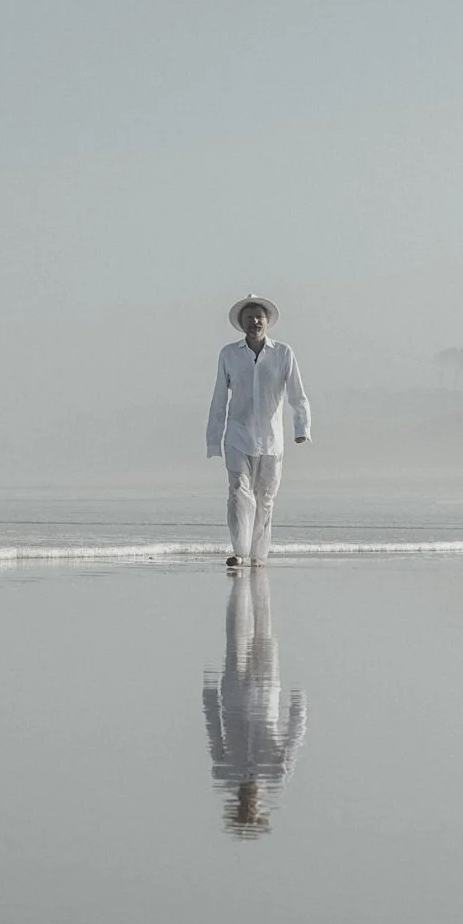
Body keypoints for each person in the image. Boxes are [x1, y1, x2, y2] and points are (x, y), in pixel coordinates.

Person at [204, 295, 311, 567]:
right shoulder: (229, 354)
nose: (254, 322)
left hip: (271, 440)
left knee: (265, 498)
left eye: (259, 317)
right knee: (239, 492)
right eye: (249, 317)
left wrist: (302, 428)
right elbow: (219, 399)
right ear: (241, 323)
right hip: (237, 436)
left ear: (267, 322)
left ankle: (258, 556)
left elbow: (297, 396)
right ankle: (240, 553)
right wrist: (213, 441)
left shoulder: (283, 353)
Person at [202, 568, 307, 837]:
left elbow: (214, 732)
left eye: (244, 811)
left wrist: (209, 695)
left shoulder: (224, 773)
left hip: (235, 700)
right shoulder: (276, 774)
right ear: (259, 807)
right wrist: (299, 705)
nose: (249, 805)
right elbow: (294, 737)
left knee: (237, 640)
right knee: (264, 635)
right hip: (264, 696)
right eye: (251, 811)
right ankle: (252, 585)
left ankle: (249, 580)